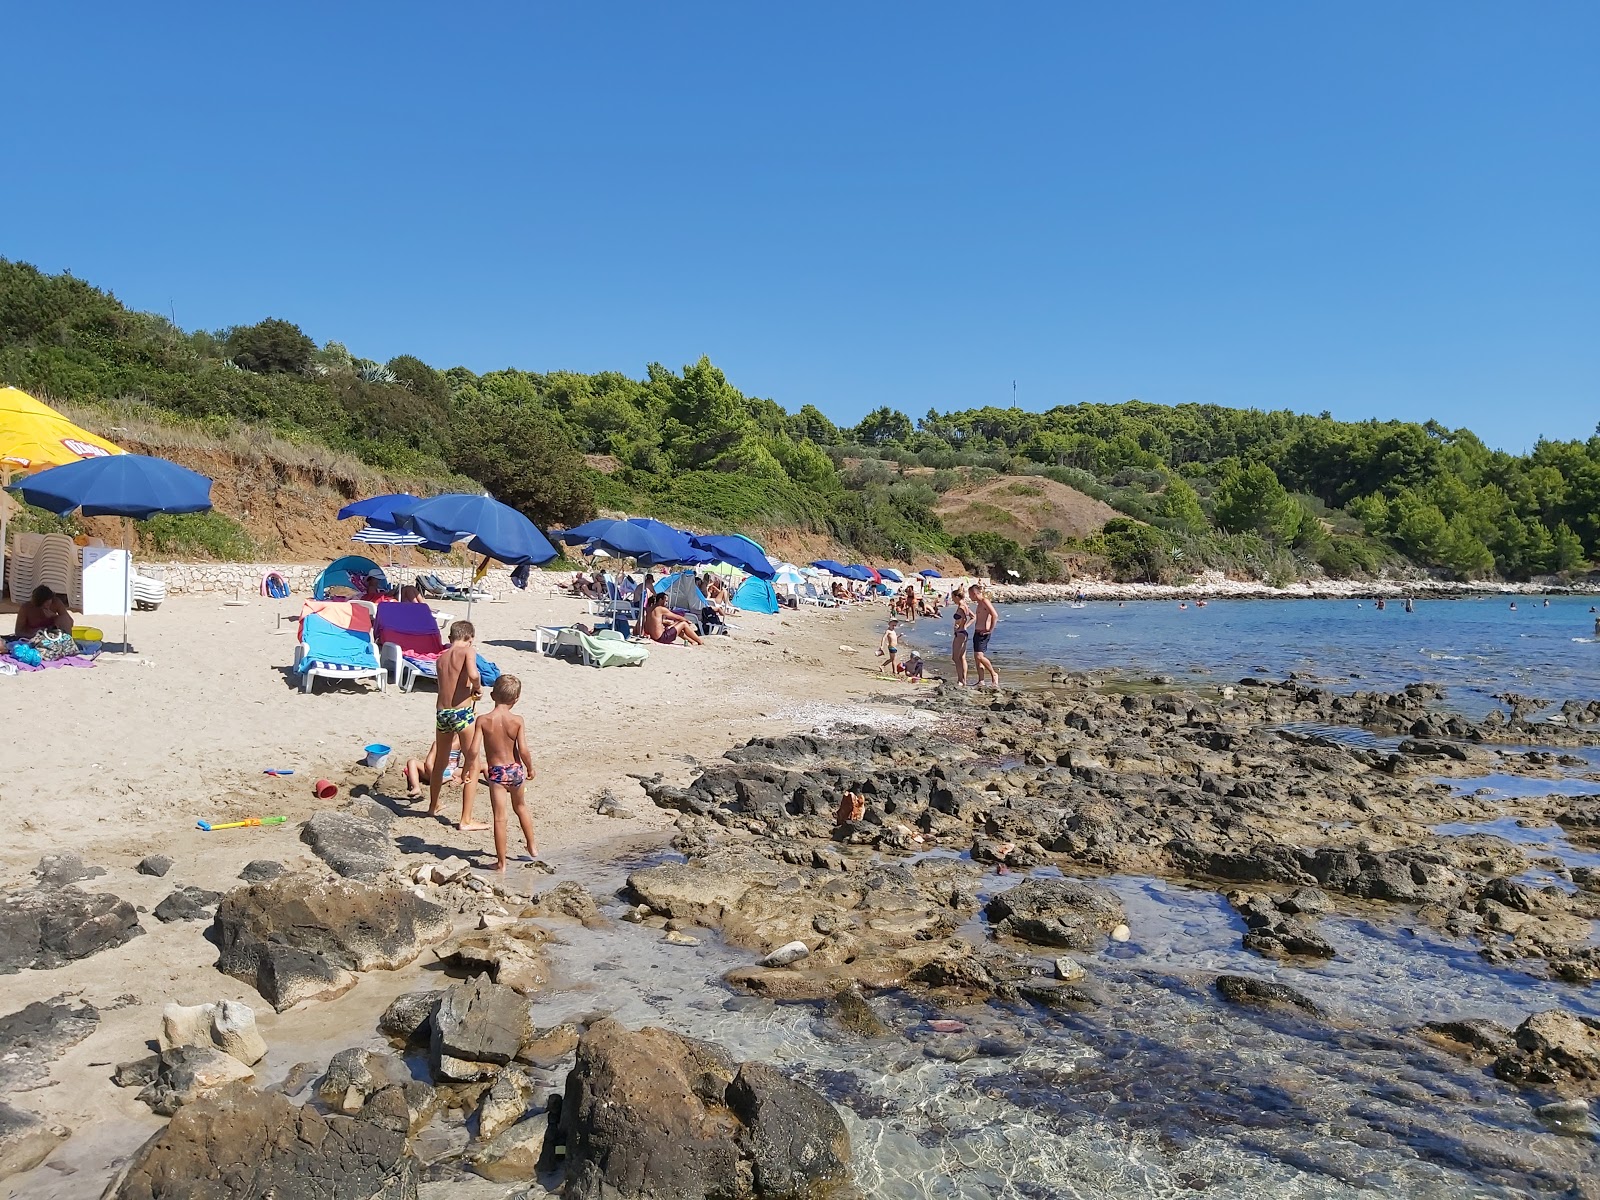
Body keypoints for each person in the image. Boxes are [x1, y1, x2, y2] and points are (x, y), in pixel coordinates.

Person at [474, 675, 539, 873]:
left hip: (497, 773)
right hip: (515, 770)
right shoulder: (517, 721)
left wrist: (470, 768)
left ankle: (501, 863)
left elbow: (474, 749)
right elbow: (524, 749)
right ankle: (532, 846)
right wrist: (530, 767)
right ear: (516, 699)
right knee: (521, 807)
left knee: (500, 817)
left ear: (492, 695)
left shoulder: (483, 720)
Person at [428, 621, 486, 830]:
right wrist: (477, 689)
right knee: (473, 762)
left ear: (450, 638)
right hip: (461, 711)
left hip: (442, 712)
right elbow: (473, 674)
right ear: (469, 638)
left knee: (441, 761)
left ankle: (433, 806)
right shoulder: (468, 651)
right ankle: (466, 819)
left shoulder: (441, 658)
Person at [403, 732, 485, 799]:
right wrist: (437, 777)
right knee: (412, 762)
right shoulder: (437, 743)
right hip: (435, 772)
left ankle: (495, 784)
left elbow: (470, 760)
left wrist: (461, 778)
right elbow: (429, 763)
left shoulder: (460, 743)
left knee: (483, 766)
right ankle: (416, 787)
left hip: (452, 771)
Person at [971, 583, 999, 688]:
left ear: (975, 593)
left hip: (983, 633)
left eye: (970, 595)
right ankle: (981, 680)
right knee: (977, 658)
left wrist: (990, 629)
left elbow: (995, 615)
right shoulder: (979, 604)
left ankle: (994, 674)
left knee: (979, 656)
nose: (969, 597)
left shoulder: (984, 601)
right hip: (977, 632)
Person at [950, 586, 972, 687]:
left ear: (957, 597)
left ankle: (960, 680)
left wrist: (960, 626)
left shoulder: (962, 607)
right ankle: (964, 680)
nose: (952, 600)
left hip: (960, 633)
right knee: (962, 657)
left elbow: (964, 618)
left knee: (955, 657)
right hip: (963, 632)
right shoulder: (965, 605)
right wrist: (964, 626)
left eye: (953, 598)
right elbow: (973, 616)